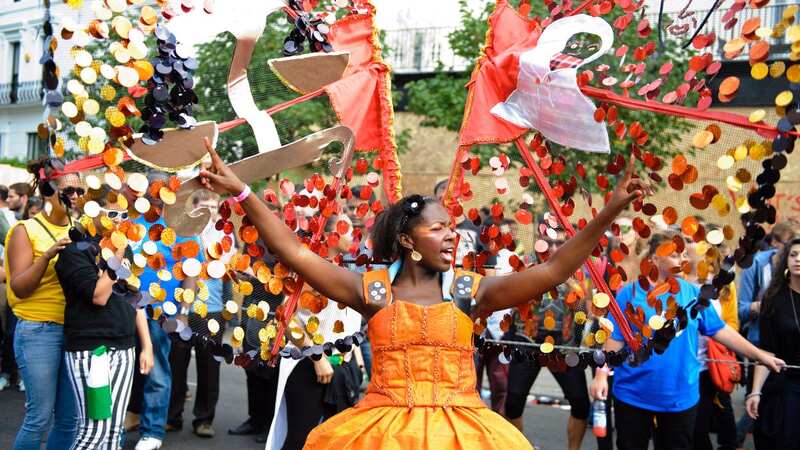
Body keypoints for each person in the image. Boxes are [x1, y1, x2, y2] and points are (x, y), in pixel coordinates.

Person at [198, 137, 648, 449]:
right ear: (409, 240)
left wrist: (610, 209)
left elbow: (552, 269)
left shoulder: (473, 292)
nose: (452, 237)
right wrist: (241, 193)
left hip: (467, 434)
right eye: (438, 229)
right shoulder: (371, 290)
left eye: (451, 228)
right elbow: (295, 252)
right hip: (380, 432)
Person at [590, 232, 784, 450]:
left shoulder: (693, 293)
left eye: (682, 254)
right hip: (633, 394)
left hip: (680, 396)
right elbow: (614, 340)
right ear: (654, 259)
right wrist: (600, 376)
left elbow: (721, 331)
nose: (681, 259)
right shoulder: (629, 293)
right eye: (673, 254)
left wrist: (760, 356)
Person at [55, 197, 154, 449]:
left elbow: (135, 298)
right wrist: (118, 251)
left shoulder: (127, 251)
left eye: (124, 216)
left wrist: (147, 346)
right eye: (113, 214)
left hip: (124, 347)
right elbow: (99, 296)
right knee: (93, 431)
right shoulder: (74, 252)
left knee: (113, 432)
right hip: (92, 350)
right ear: (93, 212)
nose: (120, 222)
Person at [266, 215, 363, 450]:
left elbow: (348, 320)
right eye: (347, 229)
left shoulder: (346, 269)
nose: (353, 236)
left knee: (335, 440)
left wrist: (357, 362)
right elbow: (286, 319)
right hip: (307, 365)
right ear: (331, 235)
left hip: (342, 366)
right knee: (301, 437)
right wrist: (317, 356)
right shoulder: (307, 270)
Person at [4, 160, 80, 450]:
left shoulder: (81, 228)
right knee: (38, 417)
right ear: (48, 189)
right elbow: (20, 288)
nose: (75, 196)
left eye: (79, 190)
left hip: (75, 331)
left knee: (69, 419)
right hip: (38, 331)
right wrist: (47, 256)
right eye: (68, 190)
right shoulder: (26, 229)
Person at [126, 172, 203, 450]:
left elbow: (192, 273)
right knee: (121, 370)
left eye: (161, 187)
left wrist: (183, 311)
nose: (155, 192)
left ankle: (153, 432)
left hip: (161, 314)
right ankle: (113, 427)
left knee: (157, 371)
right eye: (152, 187)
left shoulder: (182, 225)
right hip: (123, 310)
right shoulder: (129, 221)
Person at [503, 233, 591, 450]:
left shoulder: (577, 270)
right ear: (538, 240)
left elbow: (583, 313)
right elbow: (509, 301)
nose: (553, 247)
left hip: (563, 346)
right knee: (513, 402)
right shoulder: (525, 267)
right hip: (527, 343)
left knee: (580, 403)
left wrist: (576, 346)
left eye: (559, 242)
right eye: (547, 241)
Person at [167, 191, 233, 438]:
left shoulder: (224, 236)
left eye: (214, 207)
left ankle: (204, 420)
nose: (210, 211)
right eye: (204, 206)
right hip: (179, 309)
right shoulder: (180, 233)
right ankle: (171, 417)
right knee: (176, 365)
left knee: (209, 369)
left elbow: (226, 268)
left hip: (212, 311)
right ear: (193, 208)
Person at [735, 221, 795, 445]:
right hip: (762, 346)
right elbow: (741, 310)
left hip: (790, 352)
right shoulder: (757, 266)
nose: (795, 256)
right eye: (790, 250)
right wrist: (768, 306)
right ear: (775, 244)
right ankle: (737, 435)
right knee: (766, 410)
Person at [685, 237, 739, 450]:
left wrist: (718, 339)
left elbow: (732, 322)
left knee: (724, 421)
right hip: (689, 366)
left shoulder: (724, 284)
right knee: (697, 429)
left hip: (714, 364)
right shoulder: (680, 281)